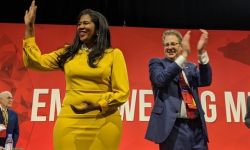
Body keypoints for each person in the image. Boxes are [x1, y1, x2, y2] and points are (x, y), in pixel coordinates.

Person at [23, 1, 129, 150]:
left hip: (104, 122)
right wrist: (29, 28)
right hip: (70, 120)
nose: (81, 27)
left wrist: (99, 105)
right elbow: (35, 62)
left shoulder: (113, 55)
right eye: (79, 24)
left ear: (98, 29)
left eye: (86, 23)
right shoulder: (68, 53)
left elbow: (122, 92)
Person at [145, 29, 212, 150]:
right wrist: (183, 56)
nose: (169, 47)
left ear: (181, 46)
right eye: (166, 44)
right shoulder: (157, 64)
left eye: (173, 44)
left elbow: (205, 80)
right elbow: (160, 80)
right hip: (173, 127)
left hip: (196, 126)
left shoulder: (190, 67)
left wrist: (201, 53)